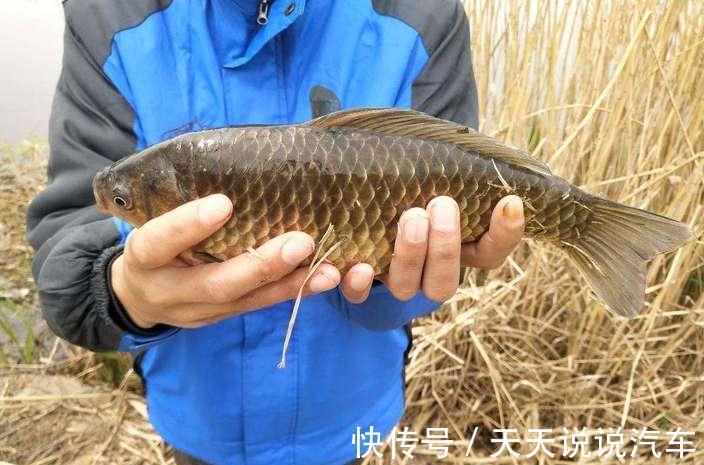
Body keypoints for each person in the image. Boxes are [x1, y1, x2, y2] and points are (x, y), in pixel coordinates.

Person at [27, 1, 524, 464]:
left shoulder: (423, 14)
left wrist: (392, 279)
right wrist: (123, 291)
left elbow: (435, 247)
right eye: (124, 202)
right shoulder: (108, 14)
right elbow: (67, 257)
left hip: (350, 412)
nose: (119, 206)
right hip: (201, 421)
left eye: (124, 202)